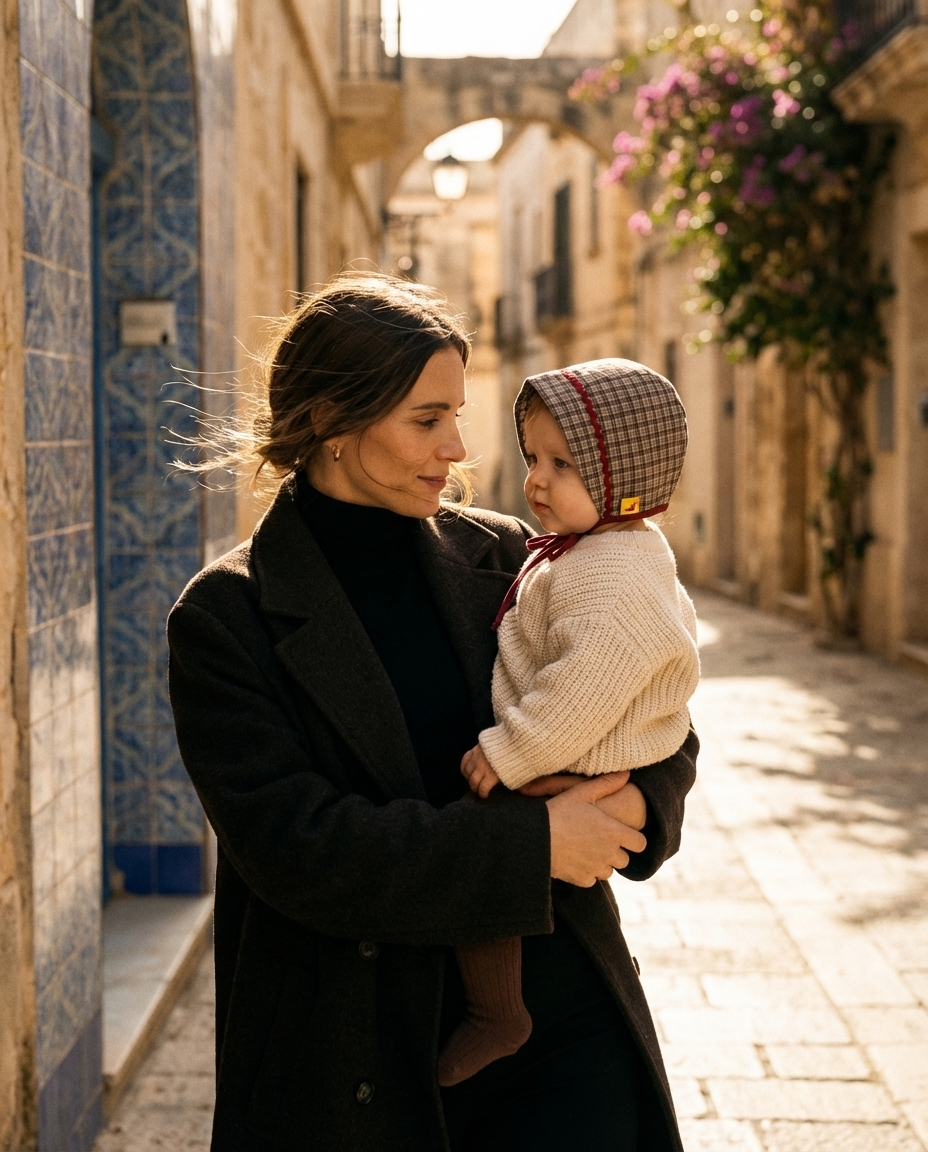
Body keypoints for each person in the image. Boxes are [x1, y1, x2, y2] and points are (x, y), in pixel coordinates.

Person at [167, 273, 698, 1152]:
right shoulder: (228, 616)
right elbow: (300, 849)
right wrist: (536, 847)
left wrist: (640, 805)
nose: (458, 446)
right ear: (332, 421)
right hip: (351, 1063)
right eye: (426, 419)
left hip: (566, 1034)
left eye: (456, 412)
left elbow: (647, 688)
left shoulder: (508, 554)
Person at [438, 361, 699, 1088]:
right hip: (575, 752)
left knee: (486, 849)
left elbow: (581, 689)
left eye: (564, 464)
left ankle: (497, 1010)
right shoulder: (586, 551)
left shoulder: (612, 570)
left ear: (626, 478)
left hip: (576, 758)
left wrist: (510, 752)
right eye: (533, 459)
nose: (536, 482)